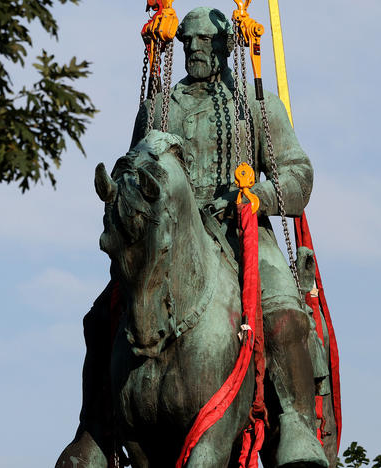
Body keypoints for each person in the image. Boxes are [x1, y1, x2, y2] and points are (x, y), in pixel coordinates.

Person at [129, 7, 327, 468]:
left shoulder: (256, 107)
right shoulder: (157, 109)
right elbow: (135, 174)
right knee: (104, 316)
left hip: (241, 230)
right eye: (187, 41)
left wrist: (256, 195)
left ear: (225, 47)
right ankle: (94, 426)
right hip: (171, 239)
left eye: (204, 41)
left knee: (283, 314)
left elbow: (298, 175)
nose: (194, 48)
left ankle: (296, 423)